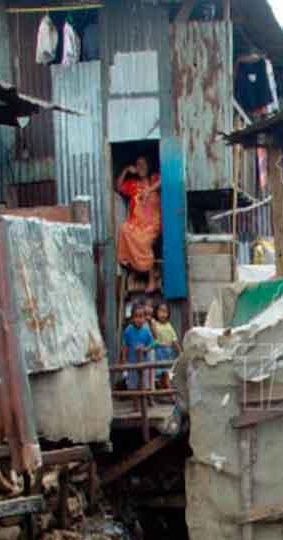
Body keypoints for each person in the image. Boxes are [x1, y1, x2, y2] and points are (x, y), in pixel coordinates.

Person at [117, 156, 162, 293]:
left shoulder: (154, 179)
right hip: (136, 224)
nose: (141, 167)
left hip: (152, 224)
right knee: (124, 229)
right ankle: (134, 272)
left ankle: (151, 279)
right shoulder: (133, 184)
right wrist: (126, 170)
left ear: (148, 166)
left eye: (143, 164)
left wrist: (150, 190)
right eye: (138, 164)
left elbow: (166, 179)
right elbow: (118, 186)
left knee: (143, 241)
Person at [121, 304, 154, 412]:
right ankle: (135, 405)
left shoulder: (146, 331)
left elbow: (152, 344)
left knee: (144, 384)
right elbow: (125, 346)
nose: (139, 319)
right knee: (133, 385)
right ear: (132, 318)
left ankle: (145, 402)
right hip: (132, 362)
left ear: (145, 318)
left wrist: (145, 349)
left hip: (144, 362)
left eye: (141, 316)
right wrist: (124, 360)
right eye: (136, 316)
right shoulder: (128, 331)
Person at [150, 302, 180, 390]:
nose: (163, 314)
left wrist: (180, 352)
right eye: (161, 311)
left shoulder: (169, 326)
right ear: (156, 312)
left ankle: (168, 390)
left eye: (165, 312)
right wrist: (152, 322)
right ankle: (165, 390)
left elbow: (174, 340)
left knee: (167, 373)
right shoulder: (154, 323)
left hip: (168, 352)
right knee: (160, 374)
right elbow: (154, 335)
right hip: (158, 352)